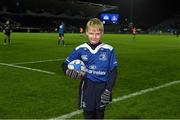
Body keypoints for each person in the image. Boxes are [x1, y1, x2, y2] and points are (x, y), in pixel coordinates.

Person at [62, 18, 118, 119]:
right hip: (88, 86)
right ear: (87, 32)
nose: (94, 36)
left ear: (102, 34)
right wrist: (67, 70)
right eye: (91, 33)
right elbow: (65, 63)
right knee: (88, 114)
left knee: (100, 114)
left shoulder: (109, 49)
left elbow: (113, 71)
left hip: (102, 87)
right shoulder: (80, 49)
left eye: (97, 33)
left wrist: (108, 90)